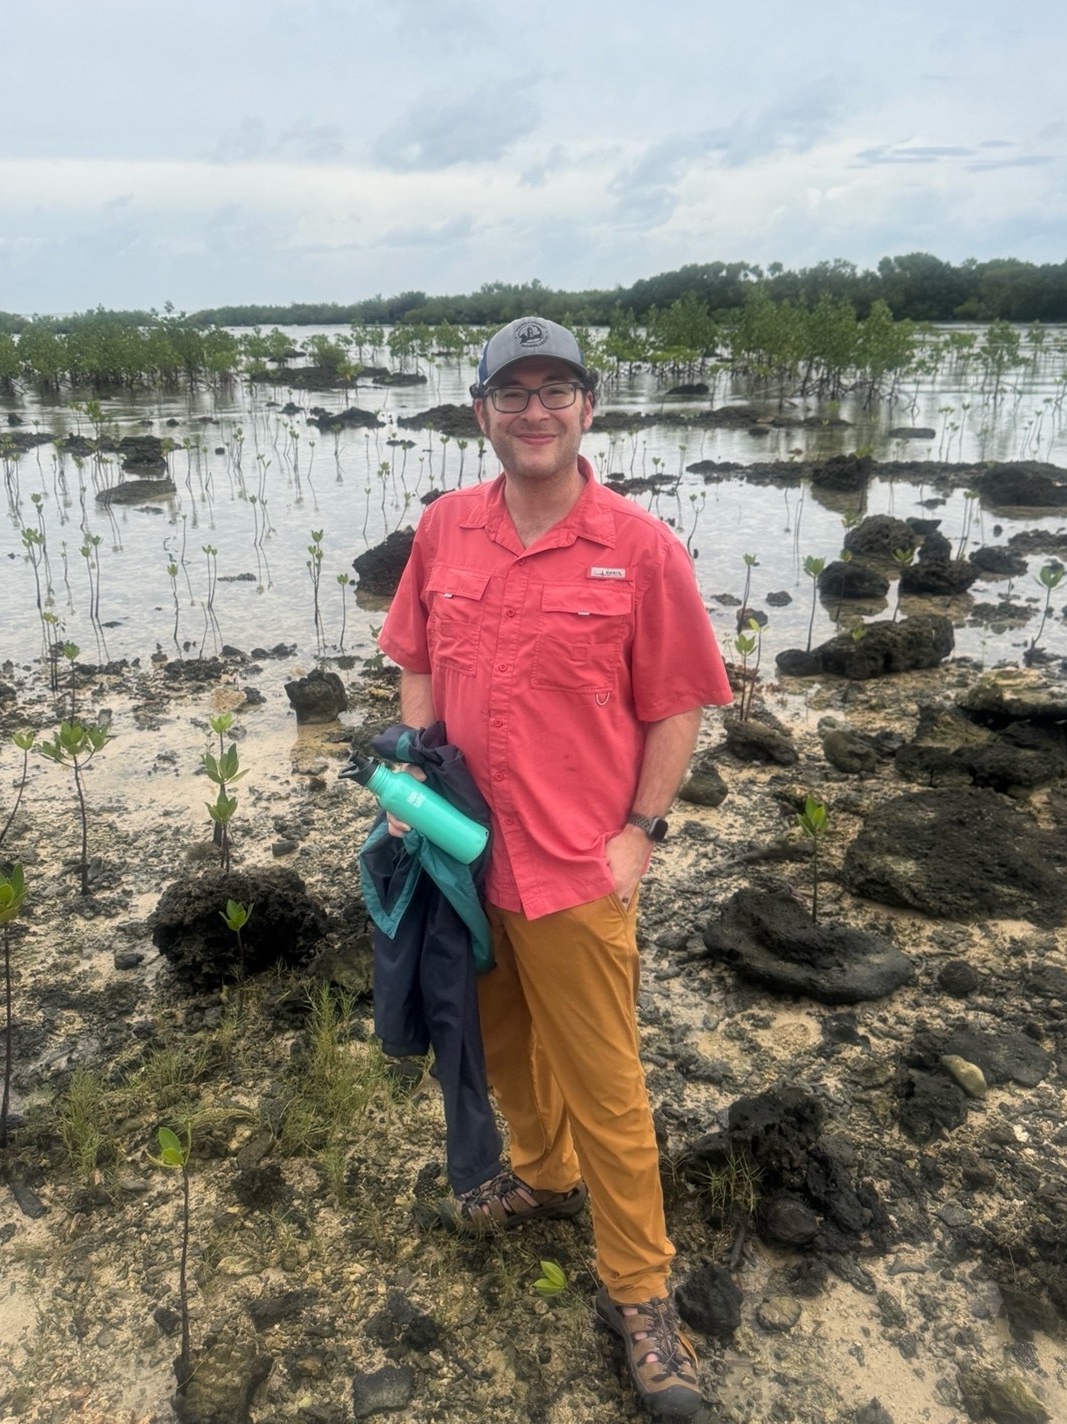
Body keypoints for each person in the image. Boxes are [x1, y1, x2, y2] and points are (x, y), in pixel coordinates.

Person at [378, 315, 732, 1418]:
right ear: (479, 410)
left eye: (555, 389)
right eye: (511, 391)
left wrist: (642, 831)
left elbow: (676, 703)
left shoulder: (641, 547)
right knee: (500, 1042)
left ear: (588, 407)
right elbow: (417, 663)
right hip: (463, 856)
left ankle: (640, 1293)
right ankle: (540, 1173)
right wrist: (416, 781)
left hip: (579, 869)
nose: (534, 410)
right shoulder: (444, 528)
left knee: (610, 1087)